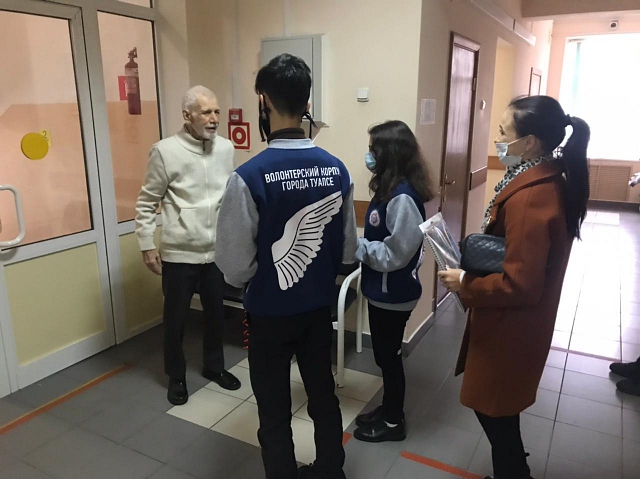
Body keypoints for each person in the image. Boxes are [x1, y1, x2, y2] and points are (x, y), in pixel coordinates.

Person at [216, 54, 357, 479]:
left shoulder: (248, 177)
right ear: (307, 103)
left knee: (274, 408)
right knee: (323, 396)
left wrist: (257, 278)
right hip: (317, 312)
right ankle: (331, 470)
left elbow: (234, 266)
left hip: (268, 315)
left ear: (263, 101)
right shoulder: (337, 170)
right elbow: (348, 251)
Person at [438, 95, 590, 479]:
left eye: (504, 132)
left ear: (530, 142)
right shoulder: (542, 177)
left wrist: (466, 282)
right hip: (517, 325)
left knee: (494, 411)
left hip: (510, 328)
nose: (498, 140)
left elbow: (520, 284)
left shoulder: (531, 196)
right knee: (500, 411)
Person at [135, 86, 241, 406]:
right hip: (180, 253)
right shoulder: (165, 151)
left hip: (216, 252)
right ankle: (176, 375)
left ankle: (214, 366)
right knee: (176, 319)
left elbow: (230, 197)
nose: (214, 118)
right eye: (206, 112)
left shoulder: (226, 148)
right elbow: (146, 202)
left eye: (217, 111)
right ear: (187, 115)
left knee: (216, 315)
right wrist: (146, 244)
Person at [352, 121, 434, 443]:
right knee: (385, 357)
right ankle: (387, 408)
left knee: (389, 359)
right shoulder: (390, 189)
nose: (369, 155)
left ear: (390, 153)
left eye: (374, 150)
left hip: (394, 294)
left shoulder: (403, 198)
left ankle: (393, 421)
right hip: (383, 291)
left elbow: (394, 254)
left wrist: (356, 247)